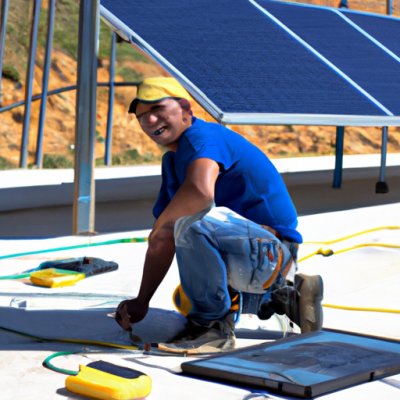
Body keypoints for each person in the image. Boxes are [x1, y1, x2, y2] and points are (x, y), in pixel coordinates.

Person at [115, 76, 323, 354]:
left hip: (273, 251)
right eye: (142, 116)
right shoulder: (173, 162)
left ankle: (211, 328)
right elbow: (162, 241)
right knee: (187, 273)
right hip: (254, 257)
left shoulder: (202, 137)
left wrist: (165, 226)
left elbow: (201, 193)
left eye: (157, 110)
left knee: (188, 221)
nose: (150, 121)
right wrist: (142, 301)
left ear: (186, 109)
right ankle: (286, 298)